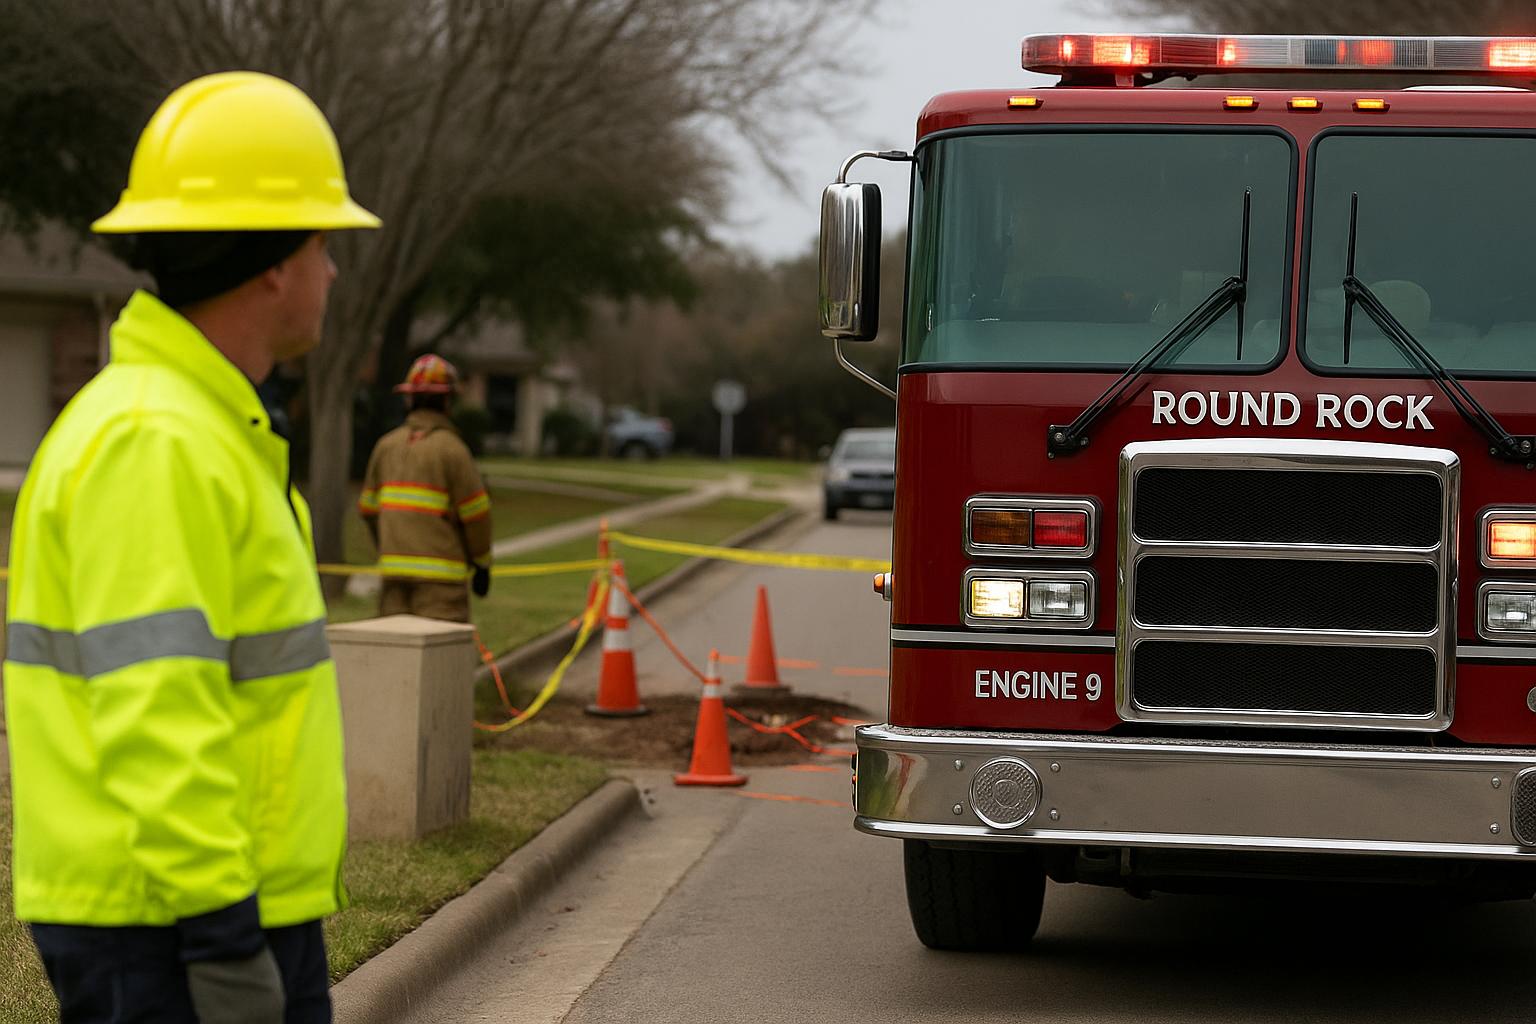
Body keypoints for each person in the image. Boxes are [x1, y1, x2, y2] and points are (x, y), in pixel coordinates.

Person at [4, 71, 379, 1023]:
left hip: (199, 913)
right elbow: (157, 713)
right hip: (173, 928)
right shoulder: (155, 441)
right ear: (270, 262)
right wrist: (222, 943)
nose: (332, 270)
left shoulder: (195, 428)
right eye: (322, 242)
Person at [358, 354, 494, 622]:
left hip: (393, 579)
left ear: (409, 399)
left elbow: (368, 510)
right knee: (440, 660)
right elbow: (477, 514)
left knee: (396, 658)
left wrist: (392, 545)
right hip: (441, 587)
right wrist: (482, 563)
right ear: (447, 401)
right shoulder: (452, 450)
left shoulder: (386, 446)